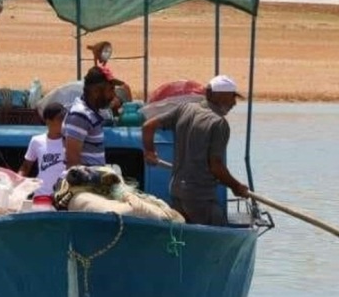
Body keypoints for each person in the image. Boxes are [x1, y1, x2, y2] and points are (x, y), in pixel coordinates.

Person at [141, 75, 250, 226]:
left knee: (184, 234)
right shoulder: (218, 123)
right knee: (217, 232)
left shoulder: (185, 108)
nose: (234, 103)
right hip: (199, 196)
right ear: (219, 95)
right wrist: (236, 186)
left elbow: (148, 126)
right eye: (232, 97)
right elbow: (216, 166)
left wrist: (149, 152)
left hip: (176, 190)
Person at [63, 65, 123, 167]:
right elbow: (73, 162)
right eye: (110, 90)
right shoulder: (80, 115)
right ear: (95, 92)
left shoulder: (92, 113)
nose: (114, 95)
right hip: (84, 182)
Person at [18, 102, 67, 202]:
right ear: (48, 121)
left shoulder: (70, 142)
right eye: (60, 118)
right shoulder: (36, 141)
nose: (63, 121)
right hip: (42, 197)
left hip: (64, 197)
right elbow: (26, 166)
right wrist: (15, 182)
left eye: (64, 118)